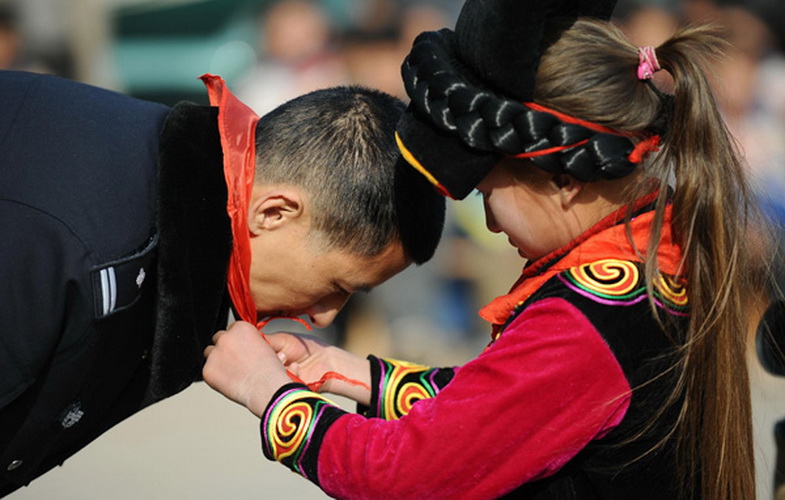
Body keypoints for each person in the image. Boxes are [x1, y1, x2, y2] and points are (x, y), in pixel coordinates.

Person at [202, 0, 768, 497]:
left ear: (566, 178)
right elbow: (506, 409)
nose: (491, 222)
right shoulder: (651, 254)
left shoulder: (592, 318)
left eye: (489, 189)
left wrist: (267, 392)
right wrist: (353, 376)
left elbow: (405, 475)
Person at [0, 70, 445, 496]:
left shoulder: (160, 193)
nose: (324, 314)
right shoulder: (82, 249)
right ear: (274, 213)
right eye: (338, 285)